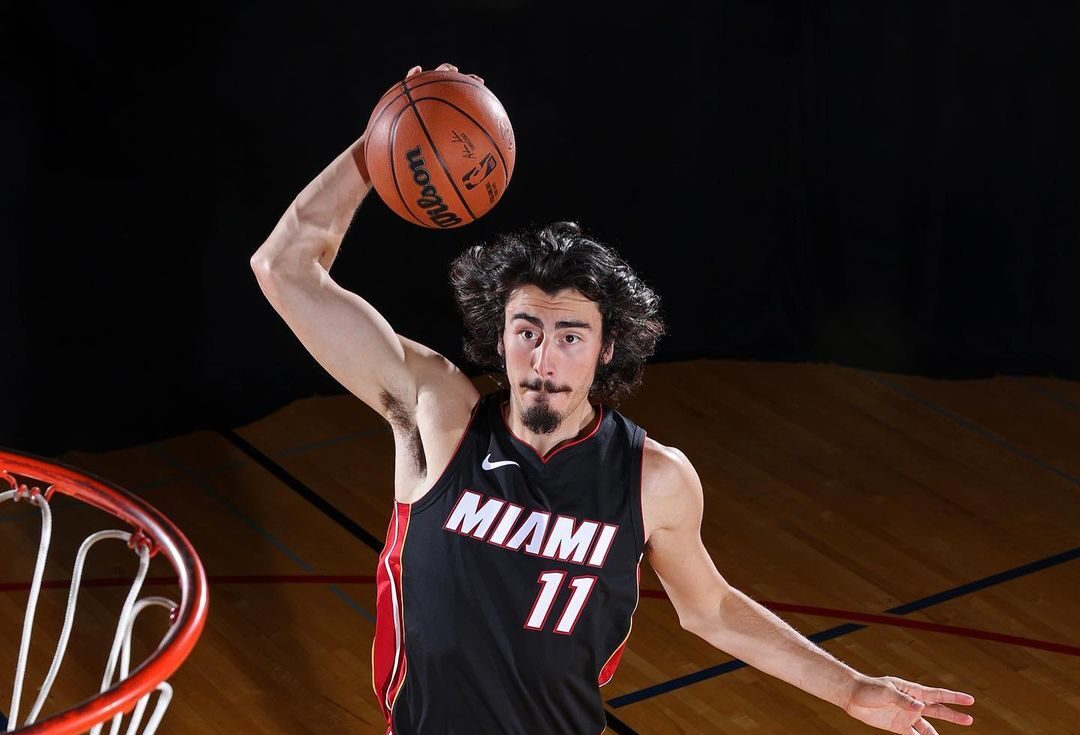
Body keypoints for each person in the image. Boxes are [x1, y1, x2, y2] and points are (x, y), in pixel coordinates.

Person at [250, 63, 976, 735]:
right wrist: (381, 145)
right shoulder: (437, 417)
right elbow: (283, 268)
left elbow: (713, 607)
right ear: (497, 337)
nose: (543, 355)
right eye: (526, 329)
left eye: (571, 336)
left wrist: (849, 688)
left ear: (606, 348)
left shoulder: (650, 477)